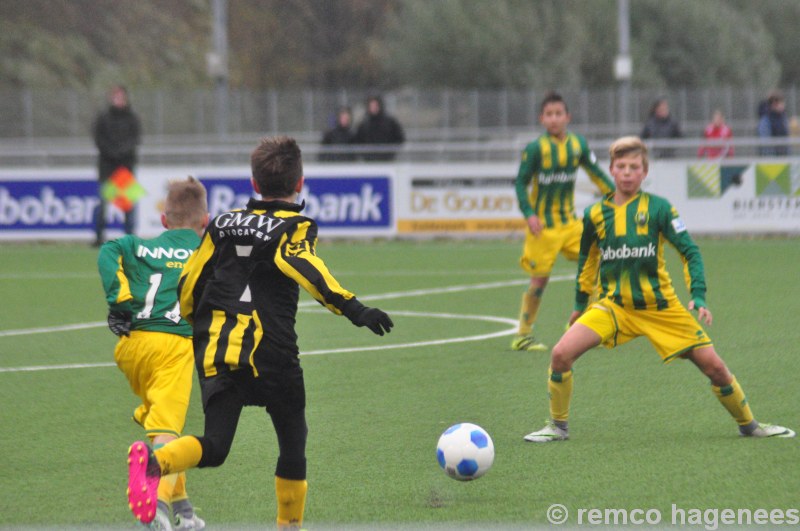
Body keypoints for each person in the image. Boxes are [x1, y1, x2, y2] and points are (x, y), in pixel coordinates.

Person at [125, 136, 394, 530]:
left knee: (214, 446)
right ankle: (289, 526)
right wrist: (356, 309)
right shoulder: (296, 226)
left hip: (218, 349)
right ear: (299, 182)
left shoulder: (222, 223)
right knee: (292, 441)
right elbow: (306, 268)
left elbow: (191, 280)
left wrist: (191, 321)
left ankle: (154, 462)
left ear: (254, 184)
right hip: (272, 353)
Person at [523, 136, 795, 443]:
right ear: (612, 170)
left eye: (634, 167)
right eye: (621, 166)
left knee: (715, 367)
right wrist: (579, 303)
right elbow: (587, 261)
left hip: (662, 308)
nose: (627, 172)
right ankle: (558, 427)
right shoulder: (595, 215)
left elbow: (690, 252)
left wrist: (699, 295)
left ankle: (751, 425)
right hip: (614, 308)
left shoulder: (659, 208)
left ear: (644, 172)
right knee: (560, 354)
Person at [98, 176, 209, 530]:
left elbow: (108, 250)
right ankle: (157, 505)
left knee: (163, 425)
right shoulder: (206, 255)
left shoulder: (141, 247)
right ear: (204, 222)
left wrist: (119, 302)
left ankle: (184, 510)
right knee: (167, 435)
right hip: (174, 347)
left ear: (164, 220)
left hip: (132, 347)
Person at [511, 91, 615, 352]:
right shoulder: (536, 149)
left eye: (559, 114)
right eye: (549, 114)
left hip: (570, 225)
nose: (554, 119)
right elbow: (521, 184)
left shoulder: (577, 145)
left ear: (567, 117)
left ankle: (585, 326)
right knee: (540, 280)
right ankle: (523, 335)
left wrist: (618, 197)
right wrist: (529, 214)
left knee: (598, 259)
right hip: (543, 229)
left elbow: (597, 174)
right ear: (541, 119)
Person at [92, 84, 142, 246]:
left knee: (128, 206)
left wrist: (122, 153)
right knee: (102, 205)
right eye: (115, 97)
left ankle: (129, 237)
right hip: (107, 168)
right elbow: (99, 140)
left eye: (121, 97)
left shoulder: (132, 118)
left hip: (125, 167)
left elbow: (135, 140)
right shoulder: (103, 118)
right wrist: (112, 153)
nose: (118, 100)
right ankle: (99, 237)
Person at [354, 94, 405, 161]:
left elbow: (399, 138)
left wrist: (390, 152)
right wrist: (365, 154)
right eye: (371, 106)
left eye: (375, 105)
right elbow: (358, 140)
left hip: (386, 160)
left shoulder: (390, 121)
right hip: (369, 161)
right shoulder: (364, 123)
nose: (373, 108)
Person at [757, 91, 789, 156]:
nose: (783, 105)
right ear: (774, 103)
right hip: (771, 161)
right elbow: (766, 143)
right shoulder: (765, 121)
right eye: (781, 103)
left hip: (783, 158)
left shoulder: (783, 118)